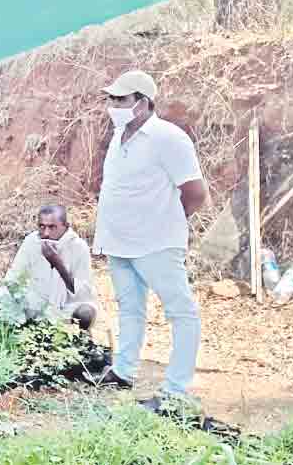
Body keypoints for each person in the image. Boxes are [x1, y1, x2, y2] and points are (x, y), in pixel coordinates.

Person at [92, 70, 209, 408]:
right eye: (111, 99)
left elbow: (195, 193)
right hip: (119, 240)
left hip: (156, 243)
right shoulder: (120, 135)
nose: (113, 105)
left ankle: (175, 392)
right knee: (130, 308)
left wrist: (165, 222)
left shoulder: (168, 138)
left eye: (121, 99)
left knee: (181, 312)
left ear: (142, 103)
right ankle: (123, 371)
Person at [0, 206, 98, 331]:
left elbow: (82, 293)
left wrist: (57, 263)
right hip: (35, 303)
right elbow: (14, 277)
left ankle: (77, 338)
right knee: (2, 294)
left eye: (52, 227)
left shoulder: (79, 247)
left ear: (65, 226)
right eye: (42, 227)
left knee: (86, 312)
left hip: (66, 306)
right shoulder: (32, 241)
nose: (46, 233)